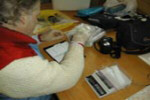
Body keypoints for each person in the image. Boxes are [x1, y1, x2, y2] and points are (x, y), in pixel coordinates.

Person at [0, 0, 91, 100]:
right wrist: (78, 42)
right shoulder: (14, 63)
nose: (36, 21)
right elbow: (67, 77)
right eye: (36, 16)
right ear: (23, 19)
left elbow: (14, 42)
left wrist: (39, 38)